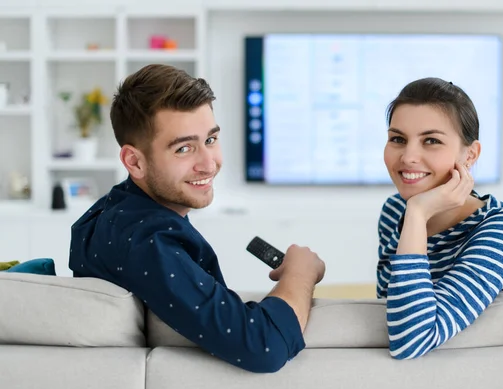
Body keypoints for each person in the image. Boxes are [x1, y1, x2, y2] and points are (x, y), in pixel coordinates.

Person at [68, 64, 326, 373]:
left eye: (211, 140)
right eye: (184, 148)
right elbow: (263, 347)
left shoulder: (109, 212)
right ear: (134, 161)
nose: (209, 164)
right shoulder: (148, 242)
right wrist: (300, 274)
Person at [376, 77, 503, 360]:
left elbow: (411, 339)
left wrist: (418, 214)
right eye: (397, 139)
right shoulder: (394, 212)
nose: (408, 157)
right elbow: (389, 311)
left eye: (431, 141)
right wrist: (414, 215)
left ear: (470, 155)